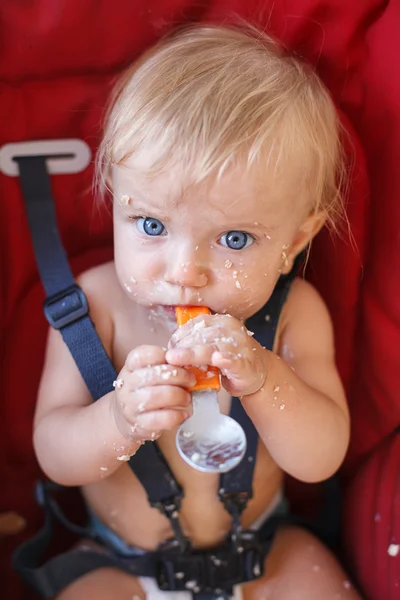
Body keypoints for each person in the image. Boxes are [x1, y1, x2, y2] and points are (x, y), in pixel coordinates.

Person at [33, 24, 361, 600]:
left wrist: (263, 378)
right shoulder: (93, 307)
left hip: (261, 545)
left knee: (315, 578)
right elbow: (55, 453)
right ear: (114, 199)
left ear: (297, 238)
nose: (185, 271)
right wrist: (119, 419)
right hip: (120, 560)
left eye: (235, 239)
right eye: (153, 226)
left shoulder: (294, 314)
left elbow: (320, 458)